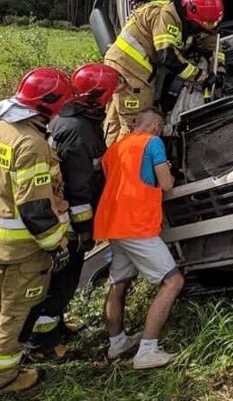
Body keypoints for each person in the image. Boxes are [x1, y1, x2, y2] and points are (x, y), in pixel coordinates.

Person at [20, 63, 123, 361]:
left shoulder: (78, 119)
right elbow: (78, 189)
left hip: (69, 219)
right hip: (68, 224)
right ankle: (43, 344)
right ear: (100, 96)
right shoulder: (76, 131)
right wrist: (85, 231)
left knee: (65, 281)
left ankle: (58, 326)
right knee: (61, 284)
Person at [0, 68, 74, 395]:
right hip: (23, 249)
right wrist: (57, 246)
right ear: (50, 106)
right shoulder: (32, 143)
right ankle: (0, 379)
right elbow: (35, 210)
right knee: (14, 314)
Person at [94, 107, 183, 369]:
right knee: (173, 281)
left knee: (119, 282)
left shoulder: (115, 149)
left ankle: (117, 343)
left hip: (114, 226)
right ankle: (147, 350)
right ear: (157, 126)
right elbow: (166, 184)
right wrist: (171, 173)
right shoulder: (153, 142)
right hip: (137, 225)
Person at [102, 0, 225, 146]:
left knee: (115, 119)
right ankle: (129, 166)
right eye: (207, 23)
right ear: (192, 14)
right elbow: (168, 57)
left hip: (123, 62)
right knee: (137, 123)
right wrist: (203, 77)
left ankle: (110, 162)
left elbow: (214, 45)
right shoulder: (167, 15)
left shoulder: (195, 20)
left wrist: (220, 70)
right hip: (131, 65)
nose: (211, 27)